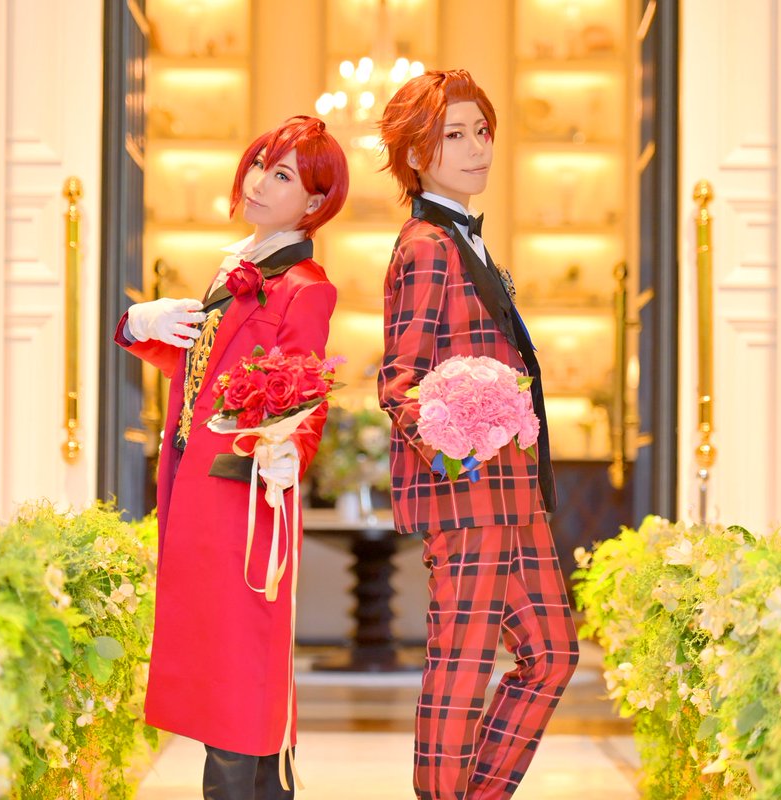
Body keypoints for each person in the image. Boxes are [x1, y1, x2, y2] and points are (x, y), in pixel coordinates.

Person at [115, 115, 348, 800]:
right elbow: (211, 372)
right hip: (197, 489)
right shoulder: (238, 266)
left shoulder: (305, 285)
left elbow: (304, 390)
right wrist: (139, 325)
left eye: (282, 175)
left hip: (247, 501)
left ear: (314, 202)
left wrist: (291, 452)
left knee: (241, 672)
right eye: (259, 164)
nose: (258, 182)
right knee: (221, 669)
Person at [376, 70, 580, 799]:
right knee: (461, 670)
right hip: (468, 496)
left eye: (481, 131)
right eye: (453, 135)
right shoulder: (427, 245)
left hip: (514, 493)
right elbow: (398, 382)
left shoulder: (466, 241)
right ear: (415, 154)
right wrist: (457, 456)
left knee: (552, 655)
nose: (476, 148)